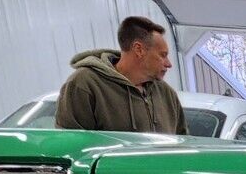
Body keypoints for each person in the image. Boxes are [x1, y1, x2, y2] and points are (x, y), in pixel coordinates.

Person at [55, 16, 186, 135]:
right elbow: (71, 145)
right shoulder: (85, 84)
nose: (169, 64)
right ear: (139, 49)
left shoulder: (167, 94)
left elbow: (183, 145)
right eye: (163, 55)